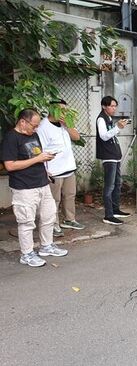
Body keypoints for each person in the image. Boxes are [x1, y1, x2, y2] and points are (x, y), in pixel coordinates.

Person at [3, 108, 68, 267]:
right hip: (24, 188)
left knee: (49, 215)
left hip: (42, 183)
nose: (36, 128)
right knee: (26, 221)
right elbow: (10, 165)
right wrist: (38, 158)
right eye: (34, 125)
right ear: (22, 122)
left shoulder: (34, 135)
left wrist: (45, 167)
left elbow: (36, 155)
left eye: (38, 125)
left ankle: (46, 246)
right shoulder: (11, 138)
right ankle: (27, 254)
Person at [37, 99, 85, 237]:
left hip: (69, 167)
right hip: (54, 170)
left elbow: (76, 137)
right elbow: (40, 150)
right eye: (60, 109)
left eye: (65, 109)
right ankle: (53, 224)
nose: (64, 112)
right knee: (53, 199)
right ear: (52, 110)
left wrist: (67, 125)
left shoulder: (65, 124)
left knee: (70, 195)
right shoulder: (43, 127)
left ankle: (69, 219)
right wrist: (44, 170)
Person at [96, 96, 131, 225]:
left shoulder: (109, 118)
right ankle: (108, 215)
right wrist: (118, 127)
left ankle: (115, 209)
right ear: (104, 106)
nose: (114, 108)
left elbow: (111, 135)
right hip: (108, 157)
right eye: (111, 106)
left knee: (117, 184)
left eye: (115, 106)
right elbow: (104, 136)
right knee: (109, 186)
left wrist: (117, 127)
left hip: (115, 156)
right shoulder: (101, 119)